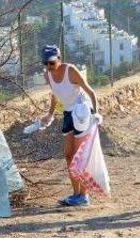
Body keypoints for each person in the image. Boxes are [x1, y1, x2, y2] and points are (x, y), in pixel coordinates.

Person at [39, 45, 99, 207]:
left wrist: (96, 114)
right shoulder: (48, 75)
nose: (48, 67)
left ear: (59, 59)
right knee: (68, 155)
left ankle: (84, 195)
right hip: (67, 114)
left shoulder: (70, 71)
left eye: (51, 63)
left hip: (81, 113)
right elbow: (54, 95)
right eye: (45, 63)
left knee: (80, 155)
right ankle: (75, 194)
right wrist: (50, 114)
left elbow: (90, 91)